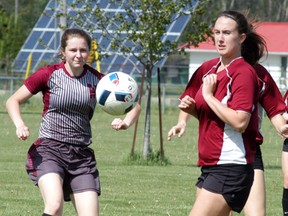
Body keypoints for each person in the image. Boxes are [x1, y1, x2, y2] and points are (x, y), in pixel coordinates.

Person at [6, 28, 141, 216]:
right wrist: (20, 124)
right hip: (49, 150)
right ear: (63, 51)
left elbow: (135, 104)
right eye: (73, 50)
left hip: (81, 156)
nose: (78, 55)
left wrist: (126, 122)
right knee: (54, 206)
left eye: (83, 50)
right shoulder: (49, 74)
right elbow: (13, 100)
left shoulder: (98, 80)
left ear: (89, 52)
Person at [167, 10, 282, 216]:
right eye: (217, 32)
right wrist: (190, 111)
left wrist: (208, 96)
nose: (220, 38)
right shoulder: (209, 69)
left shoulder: (244, 72)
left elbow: (240, 122)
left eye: (227, 33)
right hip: (211, 164)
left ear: (242, 38)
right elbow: (214, 118)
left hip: (231, 165)